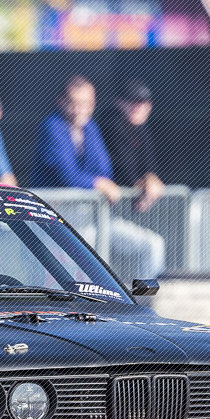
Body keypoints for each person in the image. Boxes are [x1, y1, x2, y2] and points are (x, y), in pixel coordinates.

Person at [29, 76, 164, 279]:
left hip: (89, 216)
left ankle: (146, 299)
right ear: (61, 101)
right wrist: (97, 183)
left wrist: (104, 181)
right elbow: (67, 176)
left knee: (152, 245)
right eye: (73, 102)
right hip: (54, 220)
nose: (79, 109)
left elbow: (104, 169)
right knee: (89, 255)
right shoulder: (52, 126)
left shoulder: (90, 127)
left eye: (86, 103)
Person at [99, 80, 165, 213]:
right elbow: (123, 164)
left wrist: (150, 177)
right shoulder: (111, 123)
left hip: (121, 205)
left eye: (142, 102)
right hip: (103, 205)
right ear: (118, 102)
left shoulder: (140, 127)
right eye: (132, 101)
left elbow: (148, 162)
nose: (137, 107)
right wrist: (139, 184)